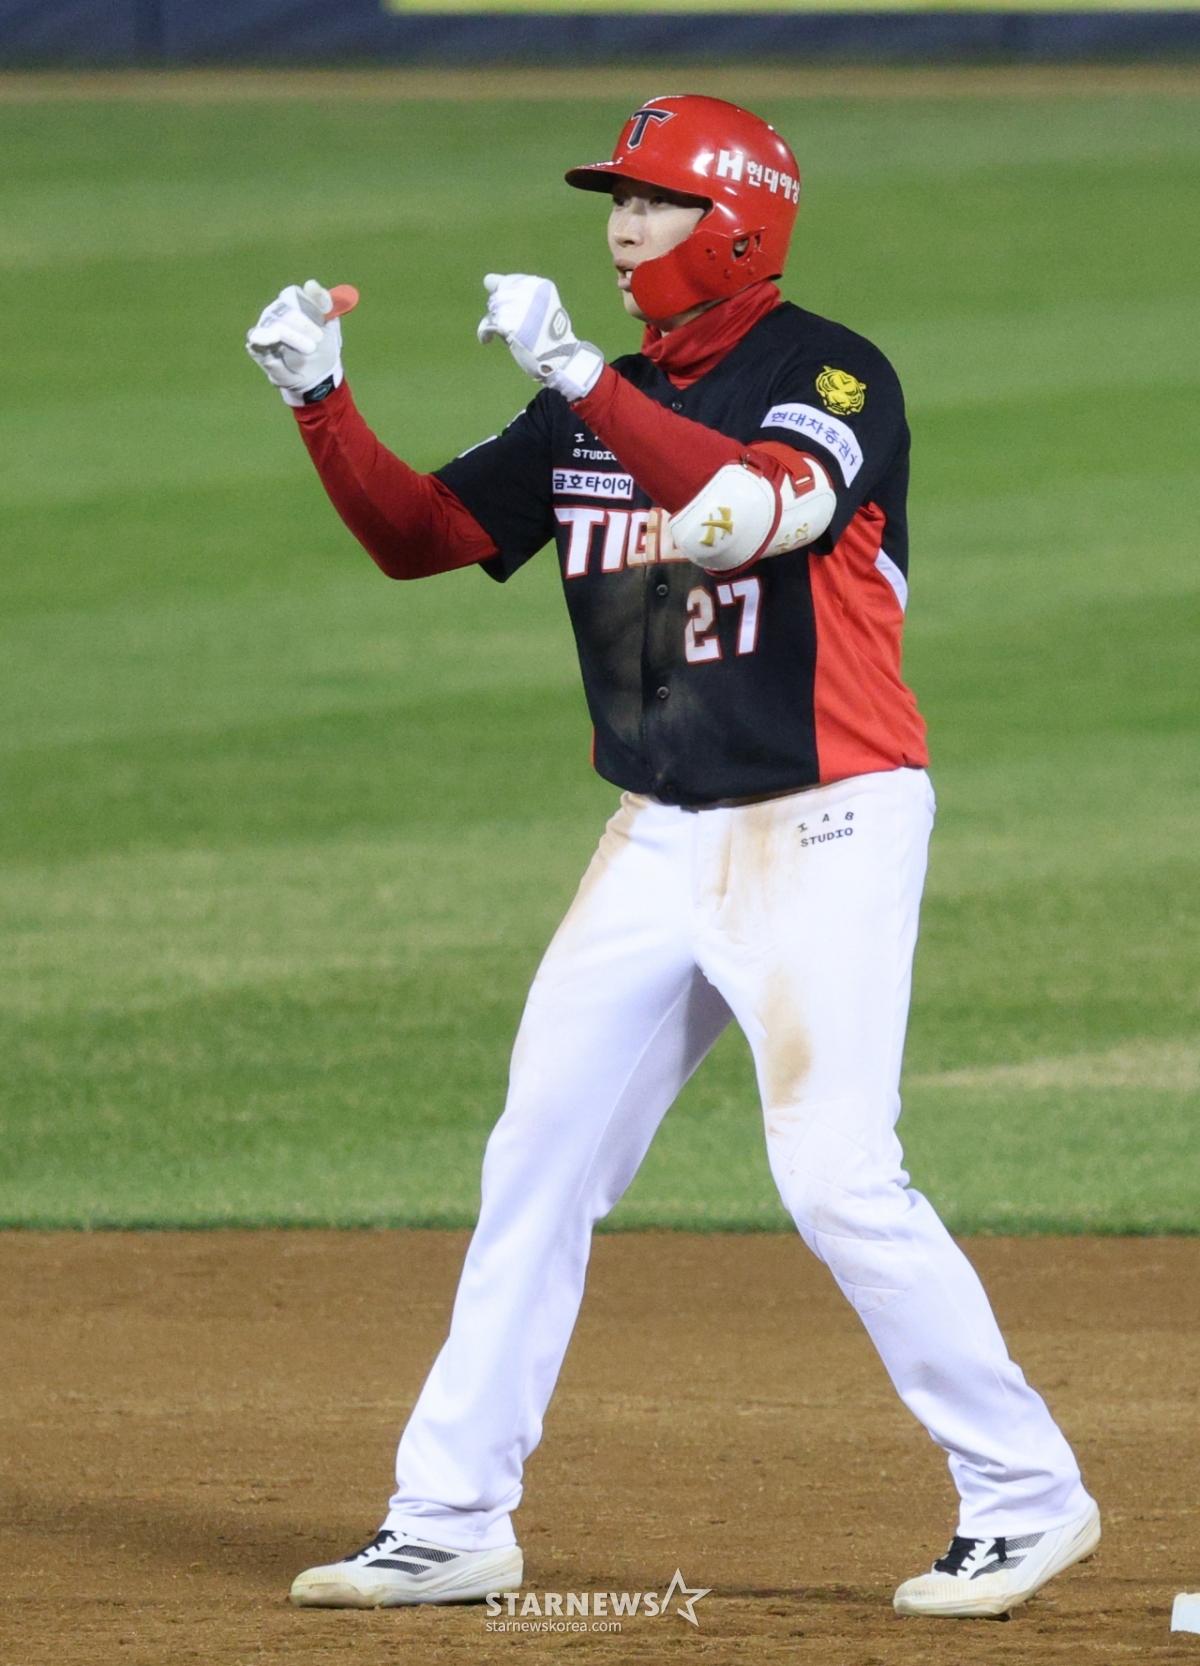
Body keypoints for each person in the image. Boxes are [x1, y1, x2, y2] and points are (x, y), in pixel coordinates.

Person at [245, 94, 1099, 1620]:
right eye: (615, 201)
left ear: (739, 221)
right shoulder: (597, 397)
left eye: (651, 200)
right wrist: (321, 398)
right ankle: (449, 1517)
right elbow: (420, 533)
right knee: (539, 1157)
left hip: (827, 817)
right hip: (654, 831)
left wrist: (577, 372)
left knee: (836, 1174)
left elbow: (745, 516)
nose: (622, 227)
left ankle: (1027, 1495)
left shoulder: (833, 375)